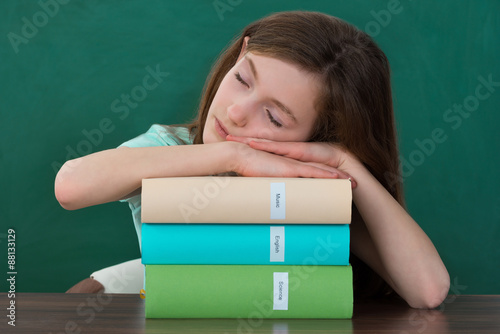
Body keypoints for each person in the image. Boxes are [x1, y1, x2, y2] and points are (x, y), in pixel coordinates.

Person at [55, 11, 449, 308]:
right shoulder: (171, 148)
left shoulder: (308, 189)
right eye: (242, 79)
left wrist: (344, 163)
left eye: (275, 117)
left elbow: (428, 290)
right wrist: (233, 154)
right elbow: (71, 187)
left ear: (317, 136)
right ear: (239, 53)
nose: (238, 112)